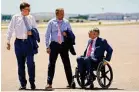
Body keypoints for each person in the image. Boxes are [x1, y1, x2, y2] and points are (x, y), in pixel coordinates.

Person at [6, 2, 39, 90]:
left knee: (30, 64)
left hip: (29, 43)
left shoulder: (31, 18)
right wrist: (8, 41)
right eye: (27, 9)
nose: (29, 11)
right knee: (20, 65)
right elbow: (10, 29)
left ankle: (32, 83)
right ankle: (23, 84)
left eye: (29, 9)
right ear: (22, 9)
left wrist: (32, 32)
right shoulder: (15, 17)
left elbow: (36, 29)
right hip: (19, 44)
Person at [45, 8, 75, 89]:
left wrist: (67, 34)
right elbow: (47, 35)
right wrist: (47, 46)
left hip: (64, 45)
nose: (63, 15)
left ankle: (71, 82)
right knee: (51, 64)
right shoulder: (51, 22)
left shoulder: (66, 22)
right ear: (57, 14)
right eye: (61, 13)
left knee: (67, 64)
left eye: (63, 13)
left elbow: (71, 33)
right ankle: (49, 83)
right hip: (54, 45)